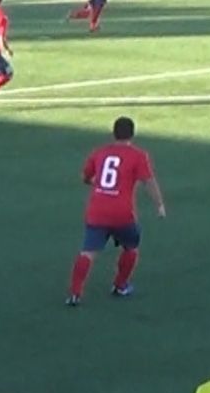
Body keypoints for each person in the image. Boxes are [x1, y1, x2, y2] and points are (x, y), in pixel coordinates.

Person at [67, 116, 166, 306]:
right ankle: (120, 285)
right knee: (131, 246)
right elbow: (149, 181)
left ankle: (75, 293)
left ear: (113, 133)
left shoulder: (99, 152)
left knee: (87, 253)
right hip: (122, 213)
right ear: (132, 134)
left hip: (97, 210)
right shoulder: (138, 155)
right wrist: (159, 205)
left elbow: (86, 177)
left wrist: (93, 182)